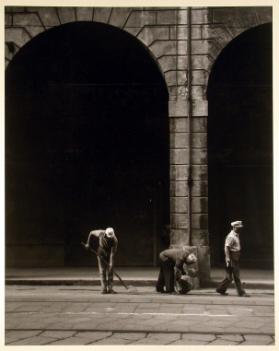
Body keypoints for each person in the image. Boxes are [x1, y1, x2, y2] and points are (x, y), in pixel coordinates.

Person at [216, 220, 250, 297]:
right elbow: (226, 248)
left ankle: (220, 289)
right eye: (238, 228)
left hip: (235, 257)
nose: (240, 229)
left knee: (229, 277)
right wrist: (228, 259)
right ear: (234, 227)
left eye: (240, 228)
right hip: (232, 258)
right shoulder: (231, 236)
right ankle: (241, 292)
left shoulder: (236, 235)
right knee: (236, 276)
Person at [85, 227, 118, 294]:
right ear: (105, 233)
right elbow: (91, 232)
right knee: (102, 271)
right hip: (101, 253)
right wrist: (88, 243)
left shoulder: (115, 240)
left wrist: (111, 264)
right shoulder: (100, 233)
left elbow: (112, 254)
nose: (110, 237)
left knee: (110, 271)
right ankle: (104, 289)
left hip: (109, 254)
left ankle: (110, 288)